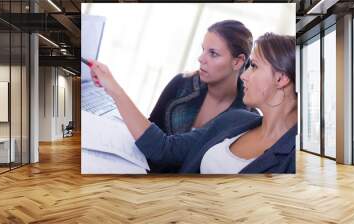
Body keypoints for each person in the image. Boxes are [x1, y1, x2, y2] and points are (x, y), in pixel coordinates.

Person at [89, 32, 297, 174]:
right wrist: (113, 88)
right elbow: (163, 149)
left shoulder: (294, 159)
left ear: (280, 79)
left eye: (254, 66)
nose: (245, 76)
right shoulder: (236, 120)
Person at [149, 20, 258, 136]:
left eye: (213, 53)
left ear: (237, 62)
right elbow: (148, 130)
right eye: (203, 50)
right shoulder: (181, 84)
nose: (200, 59)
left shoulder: (249, 119)